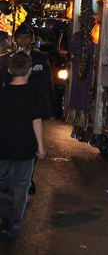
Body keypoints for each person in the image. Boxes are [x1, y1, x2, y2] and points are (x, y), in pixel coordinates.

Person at [0, 51, 48, 241]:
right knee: (21, 185)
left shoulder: (2, 93)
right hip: (25, 147)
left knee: (2, 184)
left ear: (9, 70)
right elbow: (36, 122)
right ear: (29, 70)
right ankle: (11, 221)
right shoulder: (34, 93)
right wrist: (40, 147)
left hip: (3, 147)